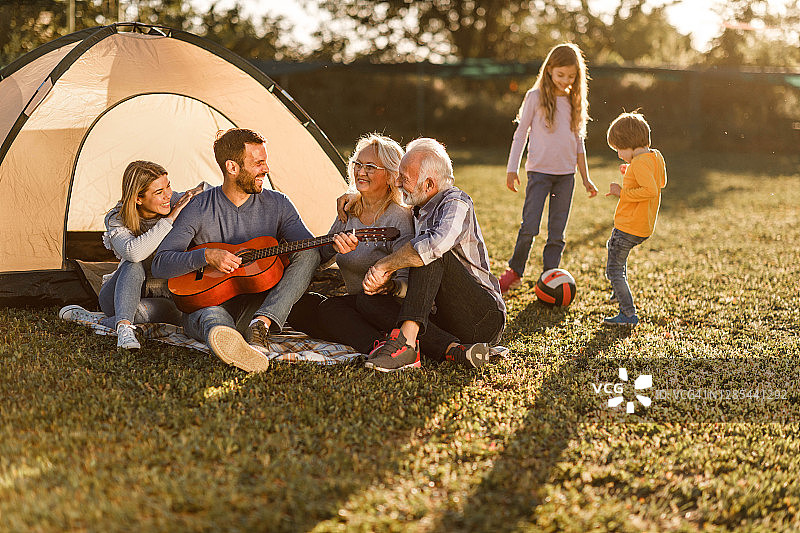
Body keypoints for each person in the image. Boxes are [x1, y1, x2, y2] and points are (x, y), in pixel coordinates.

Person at [151, 128, 321, 373]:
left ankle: (259, 328)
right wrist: (206, 256)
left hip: (260, 305)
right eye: (258, 163)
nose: (266, 169)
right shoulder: (198, 207)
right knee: (212, 319)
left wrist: (339, 243)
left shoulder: (279, 204)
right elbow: (162, 263)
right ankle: (232, 343)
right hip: (208, 304)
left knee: (309, 252)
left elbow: (312, 254)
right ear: (232, 167)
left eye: (266, 161)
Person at [356, 138, 507, 372]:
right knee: (367, 302)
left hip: (482, 319)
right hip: (443, 316)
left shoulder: (457, 202)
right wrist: (393, 288)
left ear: (428, 184)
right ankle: (454, 350)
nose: (397, 183)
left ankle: (406, 345)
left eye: (404, 178)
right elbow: (424, 285)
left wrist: (385, 266)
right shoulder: (417, 209)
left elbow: (433, 247)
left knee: (428, 251)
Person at [286, 134, 416, 353]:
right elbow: (322, 258)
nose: (361, 172)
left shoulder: (399, 218)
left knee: (330, 310)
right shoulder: (349, 209)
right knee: (300, 307)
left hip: (386, 307)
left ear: (391, 176)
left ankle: (380, 346)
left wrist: (386, 286)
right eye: (358, 164)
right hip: (356, 305)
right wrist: (334, 247)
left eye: (371, 167)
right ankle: (356, 331)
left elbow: (407, 284)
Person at [58, 161, 203, 349]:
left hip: (163, 297)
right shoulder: (117, 217)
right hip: (117, 293)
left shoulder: (175, 200)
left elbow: (208, 192)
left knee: (169, 313)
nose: (168, 195)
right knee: (134, 263)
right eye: (159, 192)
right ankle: (123, 326)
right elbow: (134, 253)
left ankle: (104, 321)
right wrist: (170, 218)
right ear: (138, 199)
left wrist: (199, 190)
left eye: (168, 186)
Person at [499, 42, 598, 295]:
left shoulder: (575, 101)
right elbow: (520, 135)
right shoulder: (535, 97)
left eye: (572, 76)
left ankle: (549, 276)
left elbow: (579, 144)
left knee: (557, 232)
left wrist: (586, 178)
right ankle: (515, 271)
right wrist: (513, 168)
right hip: (539, 174)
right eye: (561, 74)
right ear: (550, 70)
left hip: (566, 176)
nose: (566, 81)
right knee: (529, 226)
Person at [603, 111, 667, 326]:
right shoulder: (654, 156)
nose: (619, 154)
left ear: (628, 144)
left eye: (619, 150)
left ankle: (628, 314)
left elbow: (650, 190)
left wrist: (622, 192)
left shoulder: (640, 163)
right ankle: (619, 292)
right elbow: (660, 181)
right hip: (643, 226)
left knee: (614, 269)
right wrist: (630, 170)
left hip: (629, 225)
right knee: (613, 251)